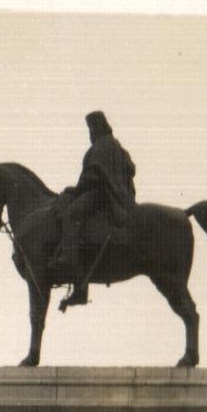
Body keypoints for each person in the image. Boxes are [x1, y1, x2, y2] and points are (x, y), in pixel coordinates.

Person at [52, 111, 137, 301]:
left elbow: (91, 177)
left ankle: (68, 256)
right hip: (122, 196)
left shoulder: (100, 146)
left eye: (91, 129)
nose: (90, 133)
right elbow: (131, 169)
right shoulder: (118, 146)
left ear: (96, 128)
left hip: (102, 194)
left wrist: (75, 190)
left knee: (71, 214)